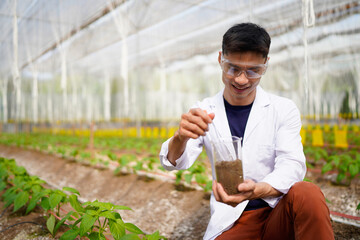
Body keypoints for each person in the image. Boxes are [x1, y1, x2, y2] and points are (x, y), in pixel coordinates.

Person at [159, 22, 334, 240]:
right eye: (233, 68)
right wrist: (180, 137)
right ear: (220, 60)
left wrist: (259, 189)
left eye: (254, 71)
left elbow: (293, 164)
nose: (242, 79)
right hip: (233, 219)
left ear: (266, 65)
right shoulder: (204, 111)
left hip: (278, 213)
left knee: (307, 193)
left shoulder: (282, 109)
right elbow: (173, 162)